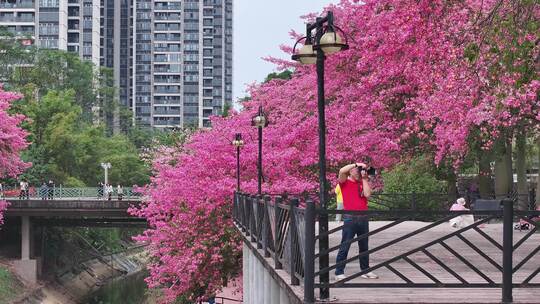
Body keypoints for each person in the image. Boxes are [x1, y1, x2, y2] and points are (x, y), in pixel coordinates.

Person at [334, 162, 378, 281]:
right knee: (345, 245)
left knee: (364, 246)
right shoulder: (344, 182)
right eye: (358, 170)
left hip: (363, 218)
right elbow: (342, 171)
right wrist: (356, 164)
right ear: (351, 171)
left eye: (362, 170)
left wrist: (364, 179)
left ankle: (365, 270)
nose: (360, 171)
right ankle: (339, 272)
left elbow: (368, 194)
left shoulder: (362, 183)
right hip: (350, 218)